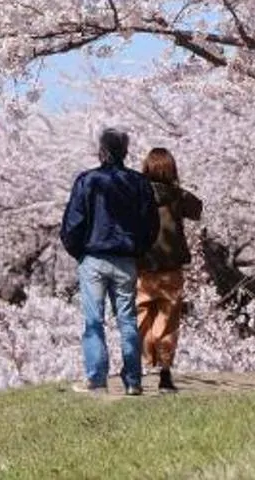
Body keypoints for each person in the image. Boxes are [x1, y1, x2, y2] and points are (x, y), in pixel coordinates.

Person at [60, 126, 158, 394]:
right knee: (127, 319)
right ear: (125, 151)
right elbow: (151, 224)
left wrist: (78, 251)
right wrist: (138, 250)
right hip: (125, 260)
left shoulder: (87, 180)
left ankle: (96, 377)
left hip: (93, 257)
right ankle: (133, 380)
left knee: (94, 320)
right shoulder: (139, 183)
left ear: (102, 151)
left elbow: (73, 222)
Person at [135, 146, 203, 393]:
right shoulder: (178, 197)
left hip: (143, 267)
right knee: (168, 319)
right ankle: (164, 372)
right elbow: (197, 209)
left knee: (140, 317)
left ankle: (141, 364)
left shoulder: (137, 196)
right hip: (171, 268)